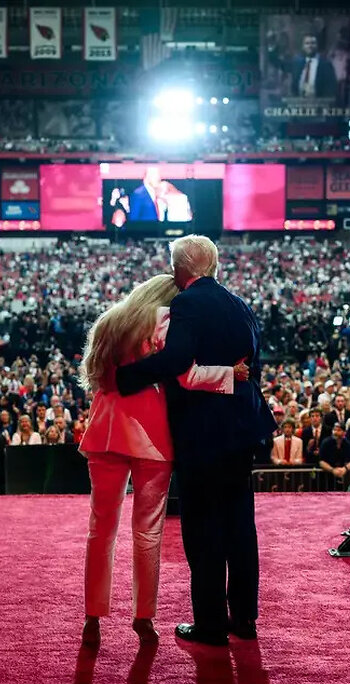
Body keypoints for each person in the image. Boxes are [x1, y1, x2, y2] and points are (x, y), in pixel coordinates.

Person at [115, 235, 276, 647]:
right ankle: (244, 618)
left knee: (203, 528)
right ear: (215, 266)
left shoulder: (186, 304)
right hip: (242, 430)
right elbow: (249, 365)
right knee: (240, 525)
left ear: (178, 270)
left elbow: (176, 362)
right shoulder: (239, 303)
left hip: (203, 434)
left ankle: (210, 624)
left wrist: (125, 375)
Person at [77, 272, 247, 647]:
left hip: (105, 429)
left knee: (100, 526)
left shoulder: (110, 320)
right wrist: (229, 374)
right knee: (148, 530)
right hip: (152, 435)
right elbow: (185, 375)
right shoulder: (165, 321)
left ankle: (93, 615)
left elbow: (96, 375)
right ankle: (143, 616)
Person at [290, 33, 337, 98]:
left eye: (313, 43)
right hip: (298, 104)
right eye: (307, 43)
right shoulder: (297, 63)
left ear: (317, 45)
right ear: (303, 46)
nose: (310, 46)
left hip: (320, 104)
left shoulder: (326, 65)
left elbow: (331, 88)